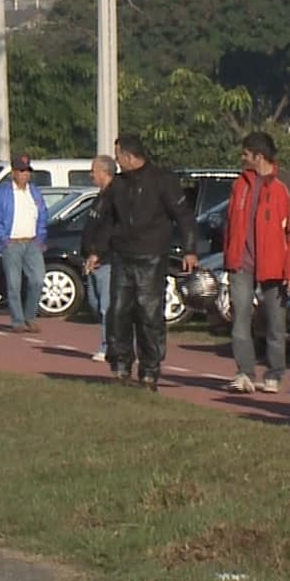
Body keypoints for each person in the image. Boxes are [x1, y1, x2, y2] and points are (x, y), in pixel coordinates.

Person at [84, 134, 198, 391]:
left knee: (149, 314)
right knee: (118, 313)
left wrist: (190, 250)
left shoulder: (162, 180)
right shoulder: (118, 185)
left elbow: (184, 216)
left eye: (118, 156)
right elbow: (107, 222)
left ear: (130, 156)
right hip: (122, 257)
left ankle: (149, 371)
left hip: (152, 256)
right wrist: (97, 252)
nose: (117, 161)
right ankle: (121, 366)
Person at [223, 132, 290, 394]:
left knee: (275, 323)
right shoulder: (240, 184)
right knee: (240, 318)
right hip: (242, 263)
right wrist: (230, 258)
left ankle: (275, 372)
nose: (243, 159)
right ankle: (244, 371)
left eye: (246, 154)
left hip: (274, 265)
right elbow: (231, 223)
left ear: (258, 155)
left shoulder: (285, 185)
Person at [0, 154, 51, 334]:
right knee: (13, 284)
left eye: (27, 171)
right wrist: (4, 240)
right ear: (14, 173)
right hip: (12, 243)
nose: (25, 175)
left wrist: (40, 238)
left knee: (38, 279)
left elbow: (42, 214)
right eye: (22, 171)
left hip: (32, 243)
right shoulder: (3, 193)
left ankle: (30, 316)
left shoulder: (34, 191)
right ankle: (17, 321)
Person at [85, 155, 117, 361]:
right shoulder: (100, 197)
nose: (91, 175)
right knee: (94, 303)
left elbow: (109, 229)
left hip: (107, 260)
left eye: (93, 171)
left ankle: (109, 347)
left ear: (104, 172)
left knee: (107, 306)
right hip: (91, 259)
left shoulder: (114, 198)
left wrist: (98, 253)